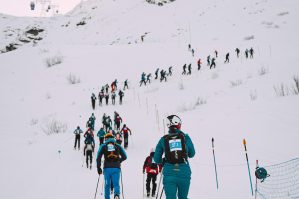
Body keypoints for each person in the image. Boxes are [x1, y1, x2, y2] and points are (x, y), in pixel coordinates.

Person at [154, 115, 195, 199]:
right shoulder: (185, 137)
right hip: (184, 173)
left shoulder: (163, 139)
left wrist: (163, 160)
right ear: (179, 125)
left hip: (169, 173)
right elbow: (192, 154)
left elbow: (156, 159)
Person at [96, 133, 127, 199]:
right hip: (116, 168)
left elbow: (98, 157)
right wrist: (119, 160)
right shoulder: (118, 145)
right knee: (116, 184)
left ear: (106, 138)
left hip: (107, 168)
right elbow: (125, 156)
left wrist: (98, 167)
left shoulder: (103, 146)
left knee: (107, 185)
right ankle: (116, 195)